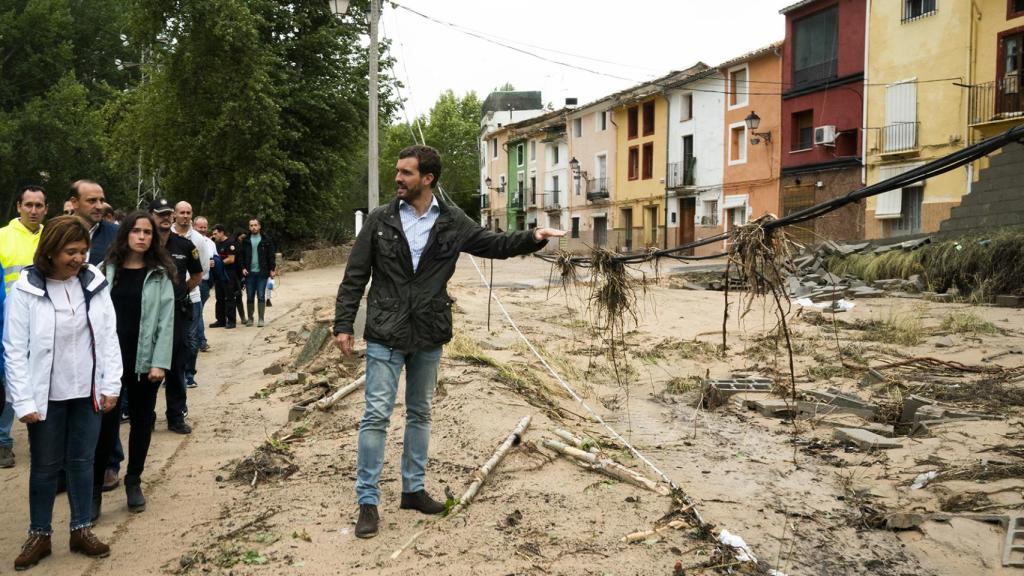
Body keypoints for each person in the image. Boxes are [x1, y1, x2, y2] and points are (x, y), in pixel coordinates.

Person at [332, 145, 564, 539]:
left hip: (428, 331)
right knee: (376, 416)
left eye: (406, 172)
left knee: (420, 413)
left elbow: (494, 244)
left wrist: (533, 237)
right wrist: (343, 324)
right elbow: (355, 275)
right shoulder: (380, 220)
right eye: (398, 171)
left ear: (428, 178)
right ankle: (367, 501)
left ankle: (413, 490)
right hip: (385, 331)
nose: (398, 178)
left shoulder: (452, 221)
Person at [4, 216, 121, 570]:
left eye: (83, 251)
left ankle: (81, 529)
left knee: (83, 462)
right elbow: (14, 349)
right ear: (51, 251)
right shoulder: (26, 290)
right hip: (46, 395)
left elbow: (109, 336)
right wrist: (23, 399)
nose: (79, 258)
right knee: (45, 466)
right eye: (71, 251)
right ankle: (39, 535)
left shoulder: (93, 282)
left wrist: (111, 384)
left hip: (87, 391)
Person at [92, 211, 175, 520]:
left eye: (147, 232)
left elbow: (166, 322)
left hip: (145, 363)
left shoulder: (159, 275)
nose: (142, 236)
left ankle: (134, 480)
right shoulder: (105, 271)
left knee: (142, 422)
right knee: (105, 427)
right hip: (109, 363)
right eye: (136, 231)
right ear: (125, 234)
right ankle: (94, 490)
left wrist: (159, 363)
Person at [0, 184, 48, 468]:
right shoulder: (2, 237)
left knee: (42, 380)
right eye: (28, 205)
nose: (33, 210)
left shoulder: (51, 237)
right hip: (8, 321)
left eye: (38, 205)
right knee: (9, 381)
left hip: (44, 322)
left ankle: (40, 439)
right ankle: (3, 441)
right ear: (18, 207)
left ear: (46, 209)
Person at [149, 198, 201, 435]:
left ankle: (176, 416)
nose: (165, 218)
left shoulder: (184, 245)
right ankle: (146, 416)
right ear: (151, 215)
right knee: (147, 368)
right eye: (160, 214)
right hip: (149, 315)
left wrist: (180, 292)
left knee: (176, 366)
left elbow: (197, 275)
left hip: (177, 313)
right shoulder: (143, 244)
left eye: (167, 214)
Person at [172, 202, 211, 389]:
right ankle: (172, 374)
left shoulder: (199, 240)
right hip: (169, 297)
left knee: (191, 337)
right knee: (171, 337)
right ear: (175, 214)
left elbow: (202, 268)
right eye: (182, 212)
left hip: (192, 294)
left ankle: (189, 374)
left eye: (188, 213)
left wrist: (185, 288)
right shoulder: (165, 236)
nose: (185, 216)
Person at [69, 180, 117, 265]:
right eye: (92, 201)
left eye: (101, 201)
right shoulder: (57, 231)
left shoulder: (116, 233)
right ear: (74, 202)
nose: (99, 206)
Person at [238, 218, 275, 327]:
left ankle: (261, 319)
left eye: (255, 225)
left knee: (261, 296)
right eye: (251, 225)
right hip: (249, 273)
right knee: (249, 296)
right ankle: (250, 318)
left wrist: (272, 269)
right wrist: (242, 268)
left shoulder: (266, 240)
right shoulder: (245, 241)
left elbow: (271, 256)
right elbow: (241, 256)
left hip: (262, 272)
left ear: (259, 226)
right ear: (249, 227)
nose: (253, 227)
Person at [192, 216, 216, 351]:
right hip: (193, 282)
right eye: (200, 227)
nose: (202, 229)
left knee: (197, 312)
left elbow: (215, 258)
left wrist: (214, 262)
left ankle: (197, 340)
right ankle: (200, 341)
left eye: (205, 227)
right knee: (197, 312)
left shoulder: (210, 243)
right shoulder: (189, 240)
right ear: (194, 226)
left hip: (206, 282)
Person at [209, 225, 239, 329]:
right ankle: (220, 320)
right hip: (218, 274)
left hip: (228, 274)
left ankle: (231, 321)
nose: (214, 235)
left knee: (229, 297)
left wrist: (218, 263)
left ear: (222, 232)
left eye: (216, 233)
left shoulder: (230, 243)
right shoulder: (215, 244)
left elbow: (231, 259)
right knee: (219, 297)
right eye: (213, 234)